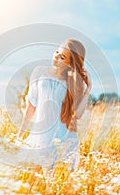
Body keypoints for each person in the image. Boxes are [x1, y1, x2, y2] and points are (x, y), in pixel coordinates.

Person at [16, 39, 92, 169]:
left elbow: (77, 115)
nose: (56, 56)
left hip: (64, 141)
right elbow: (31, 107)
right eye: (57, 51)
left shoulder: (73, 83)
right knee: (33, 182)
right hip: (40, 137)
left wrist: (88, 89)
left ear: (70, 63)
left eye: (62, 57)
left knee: (59, 186)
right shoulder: (39, 72)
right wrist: (20, 135)